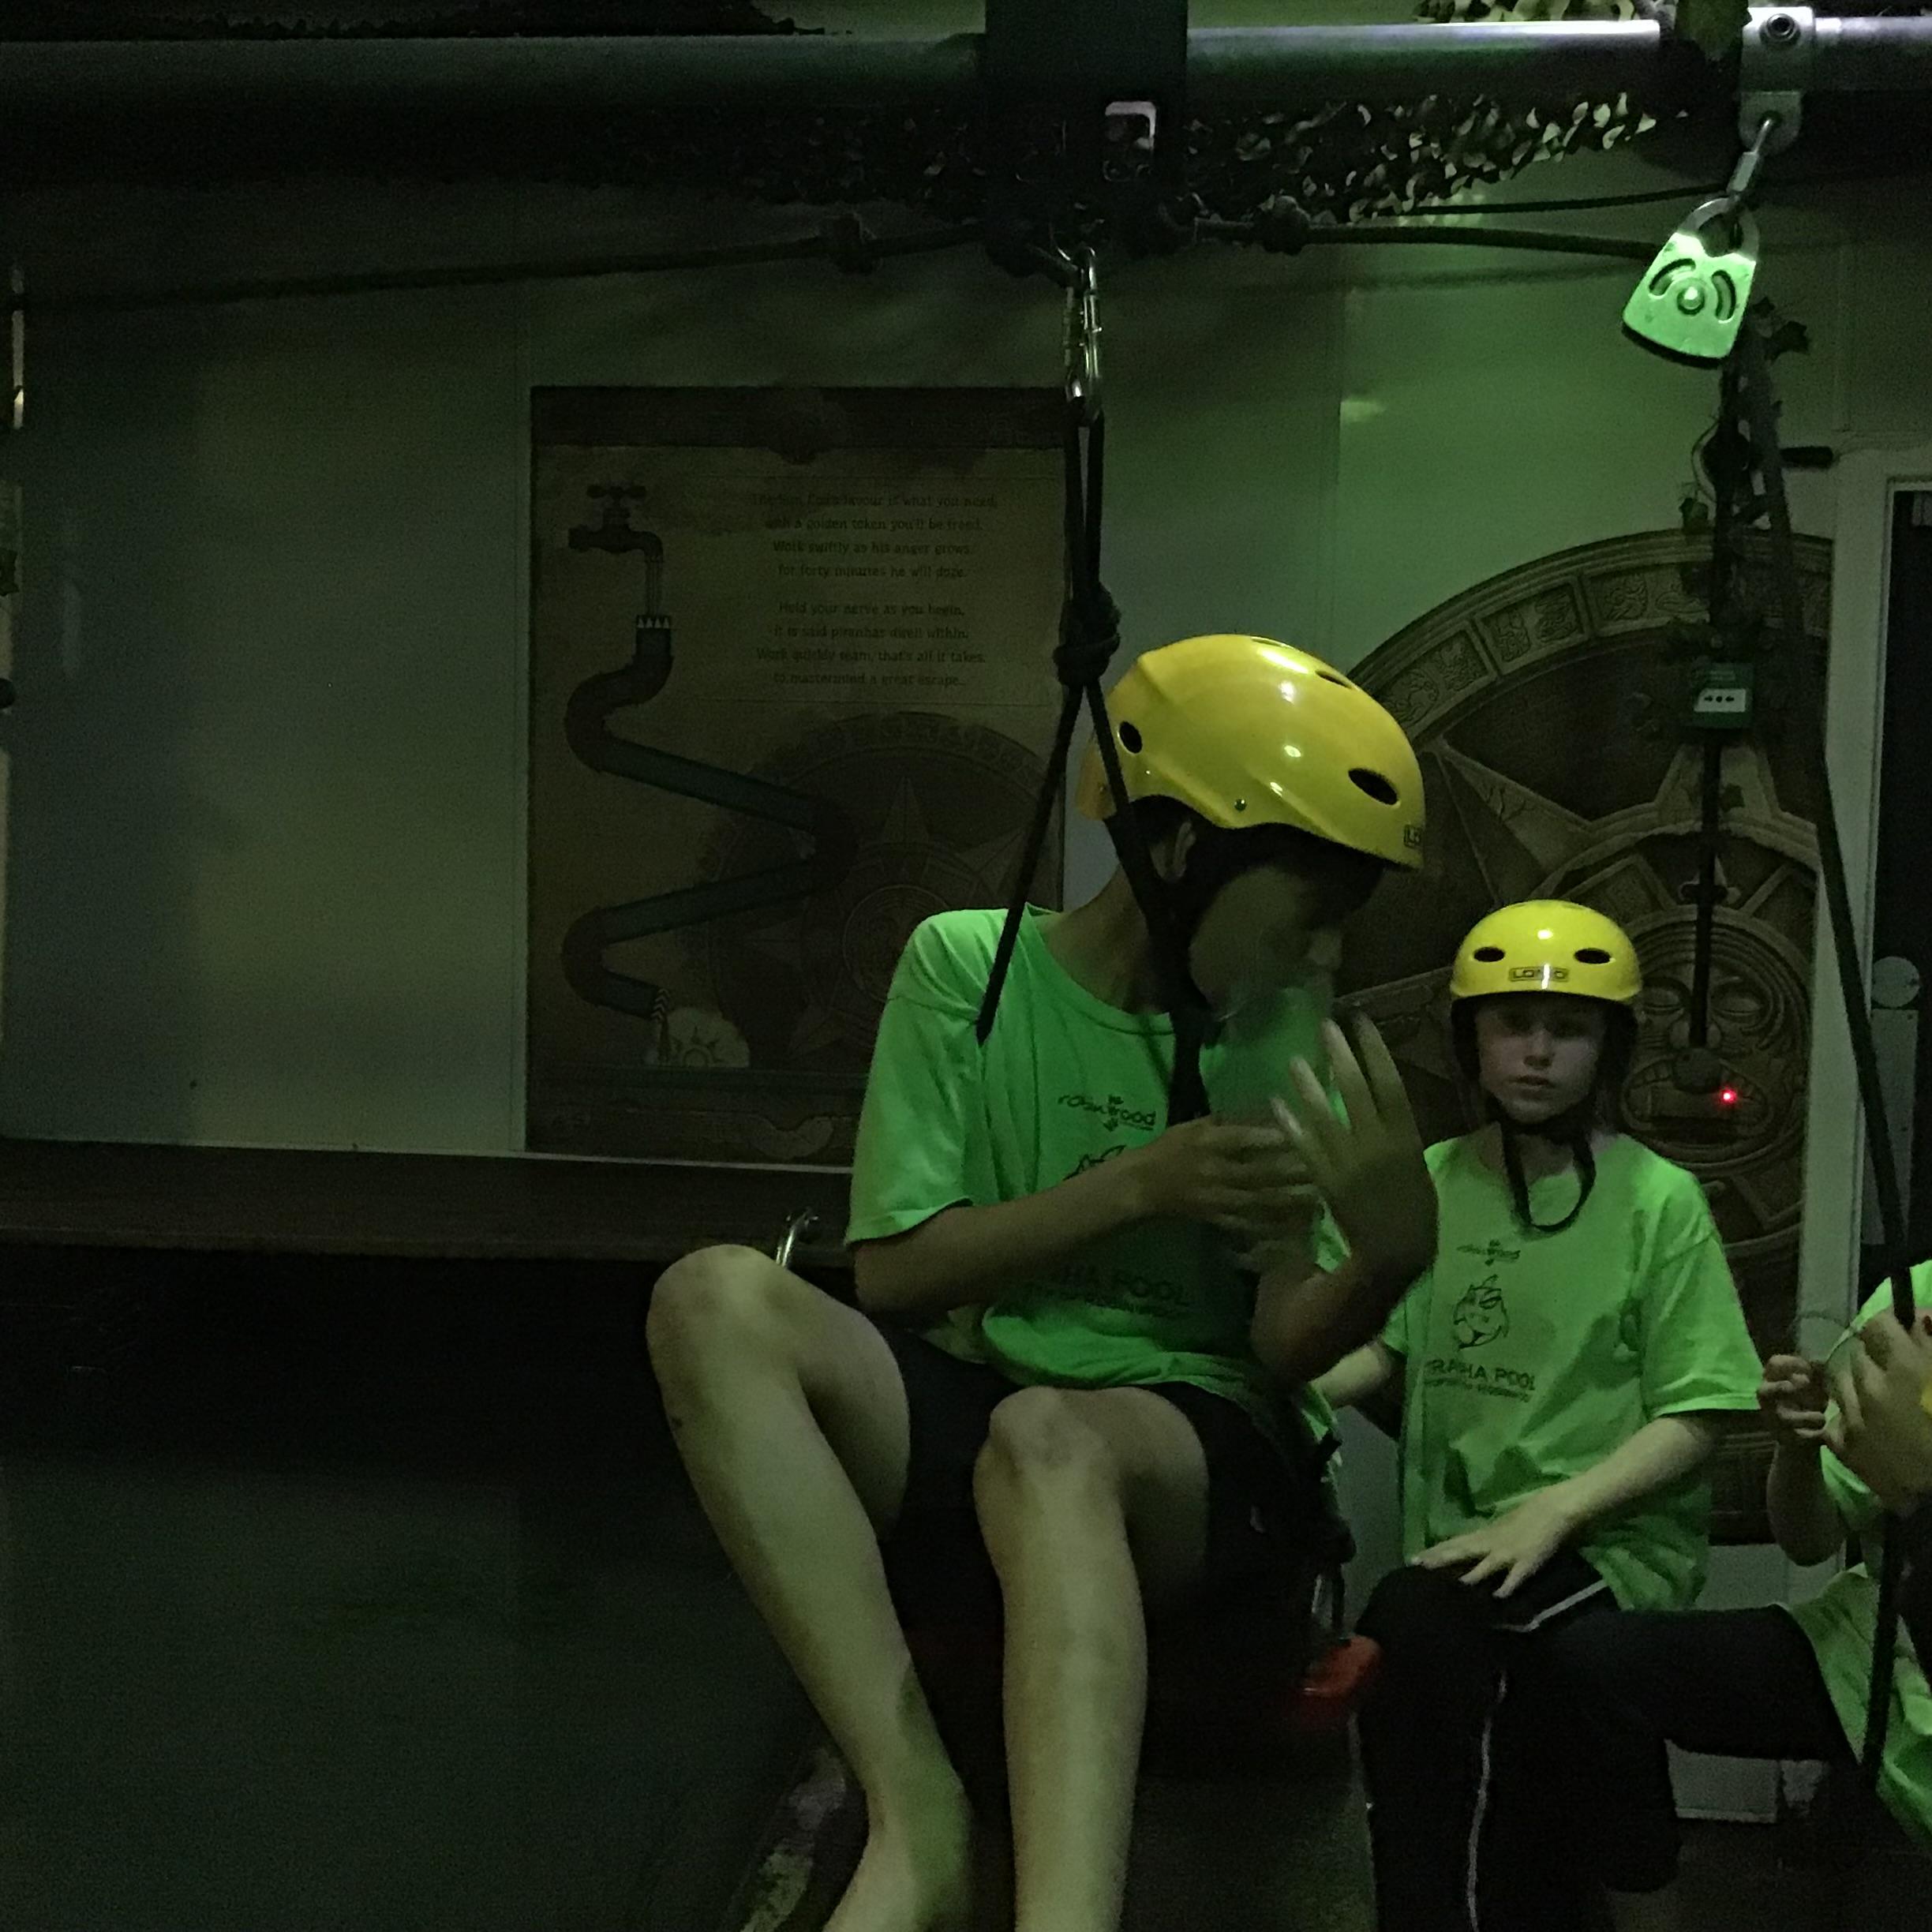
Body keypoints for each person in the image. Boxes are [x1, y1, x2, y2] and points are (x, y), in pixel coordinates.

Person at [646, 634, 1439, 1932]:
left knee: (1051, 1436)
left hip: (1194, 1454)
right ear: (1180, 850)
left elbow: (1281, 1343)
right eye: (1309, 911)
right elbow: (896, 1274)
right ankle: (919, 1817)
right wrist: (1139, 1184)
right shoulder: (967, 968)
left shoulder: (1272, 1035)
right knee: (713, 1297)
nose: (1322, 952)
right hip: (990, 1407)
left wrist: (1386, 1259)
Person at [1313, 900, 1763, 1932]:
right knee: (1434, 1676)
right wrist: (1277, 1385)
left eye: (1569, 1029)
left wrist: (1555, 1511)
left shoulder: (1659, 1201)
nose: (1538, 1051)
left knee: (1515, 1670)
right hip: (1466, 1543)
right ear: (1469, 1037)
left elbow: (1701, 1410)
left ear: (1610, 1048)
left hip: (1612, 1546)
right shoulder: (1434, 1180)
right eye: (1512, 1023)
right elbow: (1385, 1346)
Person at [1549, 1275, 1932, 1908]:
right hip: (1874, 1660)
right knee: (1597, 1662)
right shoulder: (1913, 1301)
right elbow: (1809, 1539)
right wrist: (1797, 1450)